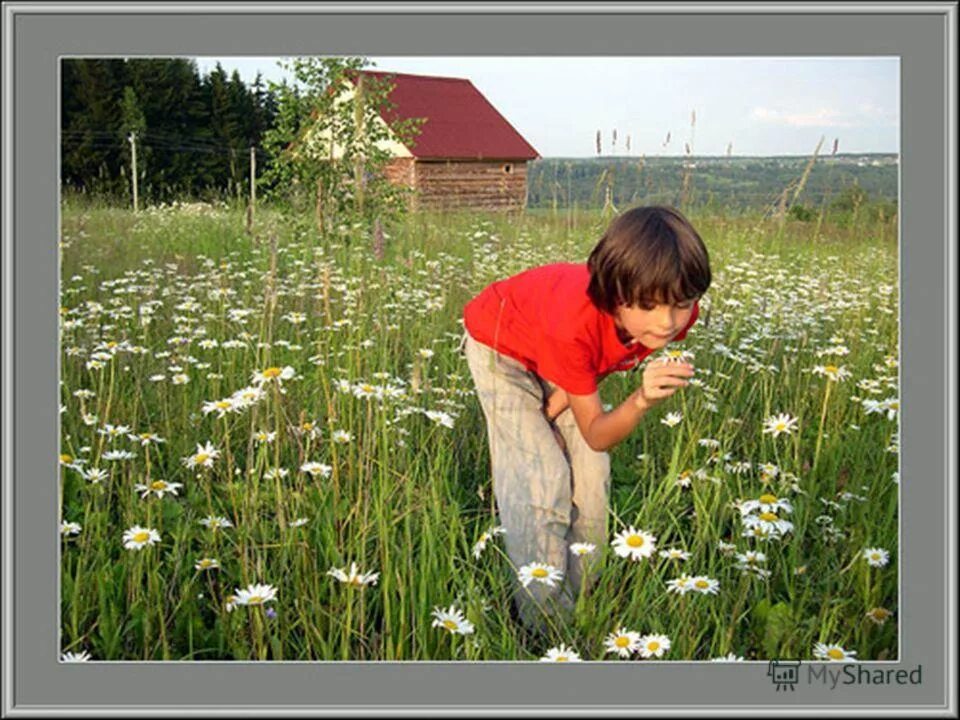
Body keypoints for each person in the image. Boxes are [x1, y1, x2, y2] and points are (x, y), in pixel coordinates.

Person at [461, 205, 711, 633]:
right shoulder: (573, 325)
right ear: (616, 296)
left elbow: (589, 369)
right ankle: (543, 624)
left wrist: (553, 413)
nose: (667, 321)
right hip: (501, 346)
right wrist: (640, 400)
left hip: (559, 354)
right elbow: (597, 431)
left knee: (592, 478)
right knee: (541, 482)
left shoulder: (671, 317)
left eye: (681, 304)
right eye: (649, 305)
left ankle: (583, 603)